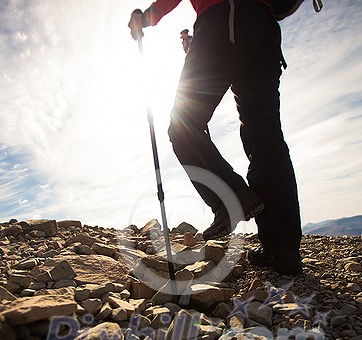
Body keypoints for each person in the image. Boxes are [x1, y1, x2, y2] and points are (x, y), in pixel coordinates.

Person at [129, 0, 302, 275]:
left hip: (222, 17)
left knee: (183, 125)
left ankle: (230, 199)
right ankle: (282, 250)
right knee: (265, 136)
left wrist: (147, 17)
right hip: (265, 28)